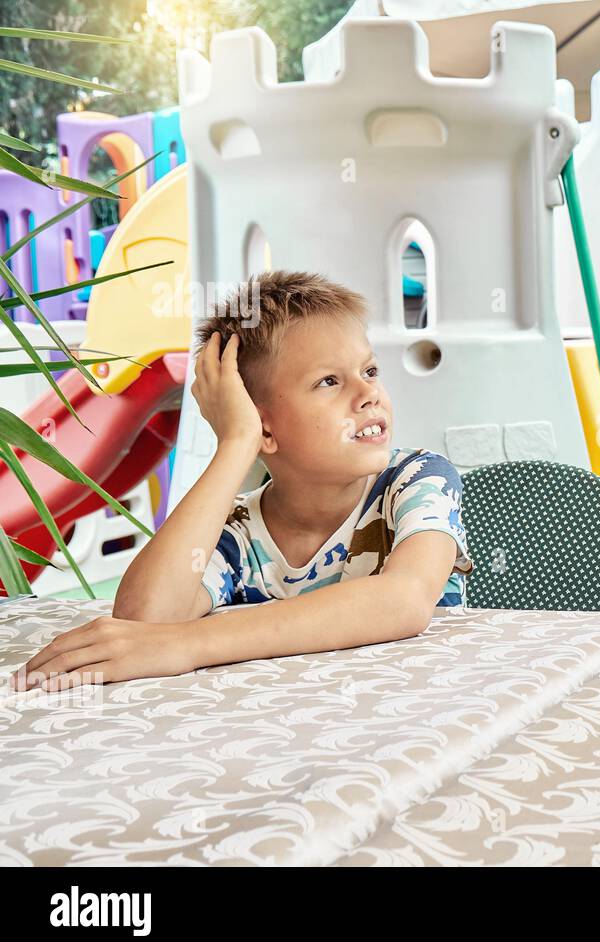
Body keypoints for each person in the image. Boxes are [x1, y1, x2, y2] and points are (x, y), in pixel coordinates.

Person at [12, 271, 472, 690]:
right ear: (263, 426)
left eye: (369, 371)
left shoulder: (416, 479)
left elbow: (401, 601)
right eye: (329, 382)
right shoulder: (237, 532)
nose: (369, 393)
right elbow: (146, 620)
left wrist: (189, 645)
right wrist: (236, 443)